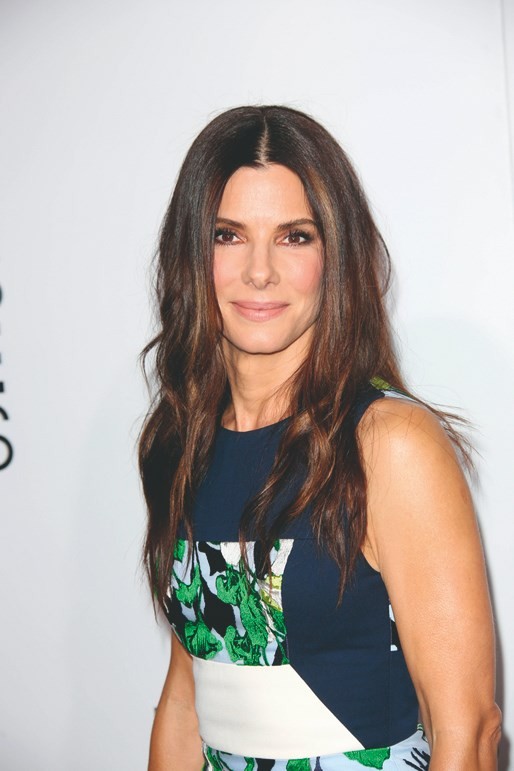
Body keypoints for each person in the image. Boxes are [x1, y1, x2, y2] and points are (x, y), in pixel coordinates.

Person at [138, 105, 501, 770]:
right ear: (191, 253)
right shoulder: (179, 443)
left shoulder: (389, 443)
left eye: (294, 237)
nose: (260, 271)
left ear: (335, 256)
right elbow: (187, 699)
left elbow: (469, 731)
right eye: (227, 235)